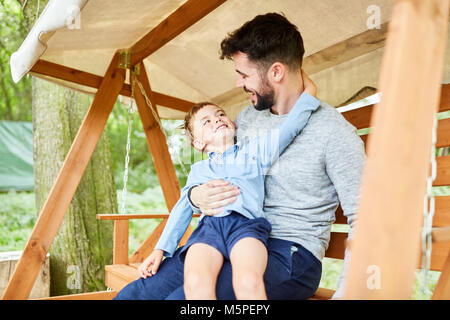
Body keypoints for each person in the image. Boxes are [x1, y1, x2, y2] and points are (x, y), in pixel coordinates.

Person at [114, 12, 365, 300]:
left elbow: (366, 219)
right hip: (226, 239)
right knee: (134, 295)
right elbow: (216, 164)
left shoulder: (334, 132)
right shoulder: (246, 119)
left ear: (276, 72)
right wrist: (196, 196)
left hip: (289, 253)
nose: (238, 84)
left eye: (244, 75)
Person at [139, 79, 319, 299]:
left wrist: (309, 94)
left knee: (248, 281)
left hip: (246, 228)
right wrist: (160, 249)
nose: (217, 120)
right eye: (206, 122)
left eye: (220, 114)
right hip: (208, 231)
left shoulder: (255, 152)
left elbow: (289, 128)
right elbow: (182, 209)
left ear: (232, 123)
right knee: (196, 284)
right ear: (198, 143)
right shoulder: (199, 169)